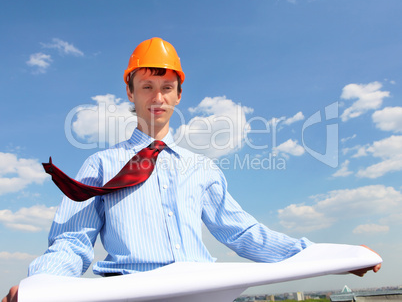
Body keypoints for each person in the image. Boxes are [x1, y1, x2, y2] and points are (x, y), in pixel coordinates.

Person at [2, 37, 381, 302]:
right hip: (130, 292)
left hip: (203, 291)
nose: (157, 97)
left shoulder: (202, 169)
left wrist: (332, 257)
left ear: (179, 95)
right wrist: (42, 285)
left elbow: (243, 233)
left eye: (167, 87)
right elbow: (73, 240)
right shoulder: (100, 164)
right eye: (147, 86)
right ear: (130, 92)